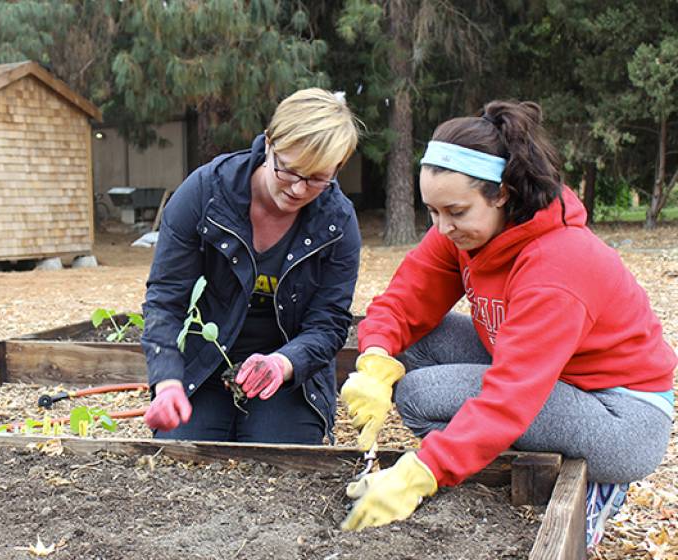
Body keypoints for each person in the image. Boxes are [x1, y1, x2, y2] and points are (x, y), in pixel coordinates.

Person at [340, 100, 676, 551]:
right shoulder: (465, 232)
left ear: (503, 193)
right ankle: (493, 463)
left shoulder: (558, 264)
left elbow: (510, 396)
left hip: (619, 417)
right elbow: (402, 302)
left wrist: (421, 472)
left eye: (455, 212)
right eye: (432, 212)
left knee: (421, 393)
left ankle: (575, 486)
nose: (441, 228)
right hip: (549, 377)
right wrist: (374, 359)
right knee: (414, 346)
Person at [140, 88, 363, 444]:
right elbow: (165, 300)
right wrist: (167, 382)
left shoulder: (337, 222)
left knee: (281, 457)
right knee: (183, 450)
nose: (298, 189)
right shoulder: (205, 193)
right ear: (269, 143)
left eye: (318, 178)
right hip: (204, 365)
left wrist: (283, 363)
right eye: (289, 170)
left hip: (289, 377)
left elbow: (330, 323)